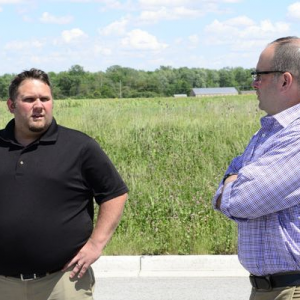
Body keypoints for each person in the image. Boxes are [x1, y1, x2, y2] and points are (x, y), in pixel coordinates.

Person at [0, 68, 128, 300]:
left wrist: (96, 245)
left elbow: (114, 193)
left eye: (45, 99)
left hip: (63, 282)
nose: (38, 105)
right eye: (29, 99)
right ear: (11, 105)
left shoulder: (79, 147)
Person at [213, 36, 300, 300]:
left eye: (259, 75)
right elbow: (232, 180)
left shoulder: (296, 135)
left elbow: (242, 200)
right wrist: (233, 180)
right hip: (273, 288)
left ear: (285, 80)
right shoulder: (270, 132)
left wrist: (232, 183)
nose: (254, 83)